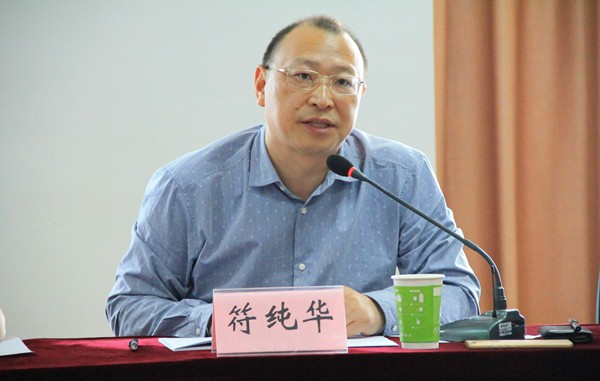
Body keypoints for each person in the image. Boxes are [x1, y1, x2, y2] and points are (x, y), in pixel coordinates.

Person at [106, 15, 480, 338]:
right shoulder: (188, 187)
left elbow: (459, 292)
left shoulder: (401, 176)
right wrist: (214, 322)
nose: (323, 98)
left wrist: (377, 311)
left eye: (343, 82)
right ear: (260, 86)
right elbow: (130, 306)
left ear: (360, 94)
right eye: (303, 76)